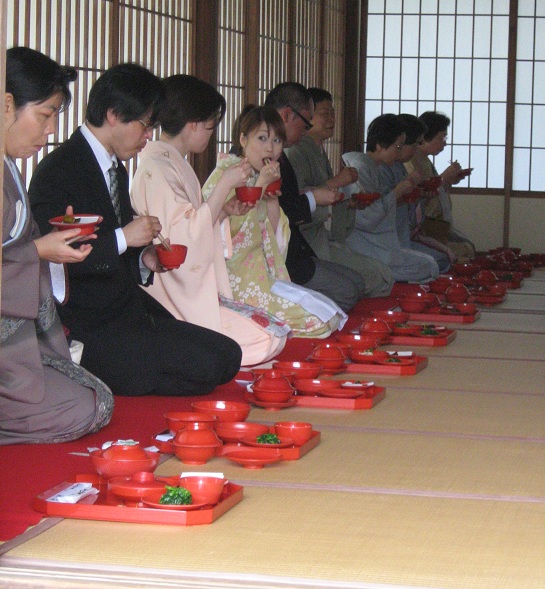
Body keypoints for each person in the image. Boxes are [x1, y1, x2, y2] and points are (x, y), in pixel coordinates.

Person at [29, 63, 242, 396]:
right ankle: (93, 371)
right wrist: (124, 237)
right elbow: (55, 264)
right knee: (205, 365)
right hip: (86, 320)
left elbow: (120, 251)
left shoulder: (115, 168)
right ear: (114, 114)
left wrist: (145, 258)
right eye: (145, 126)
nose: (148, 137)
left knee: (229, 355)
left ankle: (126, 372)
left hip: (126, 307)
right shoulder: (59, 170)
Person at [130, 75, 290, 366]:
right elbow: (182, 239)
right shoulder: (157, 168)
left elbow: (196, 224)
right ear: (192, 124)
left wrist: (224, 211)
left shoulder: (174, 163)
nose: (210, 134)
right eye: (209, 127)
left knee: (276, 332)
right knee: (265, 339)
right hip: (173, 294)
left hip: (194, 288)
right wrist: (224, 184)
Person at [1, 46, 113, 444]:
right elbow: (20, 251)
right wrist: (37, 251)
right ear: (7, 105)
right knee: (85, 407)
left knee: (96, 397)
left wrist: (52, 240)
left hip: (13, 347)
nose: (50, 131)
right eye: (45, 115)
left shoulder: (8, 167)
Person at [204, 105, 344, 338]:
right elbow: (227, 234)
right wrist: (259, 187)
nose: (270, 147)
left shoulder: (257, 175)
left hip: (262, 274)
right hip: (235, 280)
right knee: (317, 323)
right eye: (262, 138)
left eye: (277, 140)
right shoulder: (225, 174)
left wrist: (270, 198)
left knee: (330, 314)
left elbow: (275, 240)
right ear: (243, 140)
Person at [264, 82, 364, 311]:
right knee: (348, 290)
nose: (306, 130)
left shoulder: (285, 154)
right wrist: (314, 197)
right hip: (273, 257)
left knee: (357, 283)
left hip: (297, 248)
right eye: (260, 137)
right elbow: (279, 212)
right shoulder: (255, 161)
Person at [286, 87, 394, 296]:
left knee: (381, 274)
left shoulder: (317, 150)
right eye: (324, 113)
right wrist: (338, 181)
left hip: (324, 238)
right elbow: (295, 206)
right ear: (307, 115)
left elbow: (324, 201)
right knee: (376, 277)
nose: (331, 119)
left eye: (333, 113)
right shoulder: (296, 152)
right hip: (307, 242)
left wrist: (348, 204)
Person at [343, 114, 439, 283]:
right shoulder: (360, 167)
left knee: (430, 263)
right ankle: (379, 274)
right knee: (428, 265)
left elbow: (384, 206)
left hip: (380, 243)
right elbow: (366, 218)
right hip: (364, 244)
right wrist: (397, 192)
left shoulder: (375, 166)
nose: (400, 152)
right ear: (380, 145)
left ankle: (381, 274)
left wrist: (408, 195)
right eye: (398, 146)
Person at [378, 113, 453, 274]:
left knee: (443, 258)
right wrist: (404, 189)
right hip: (388, 242)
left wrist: (419, 194)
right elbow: (376, 211)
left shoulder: (400, 166)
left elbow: (407, 207)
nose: (416, 149)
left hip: (408, 233)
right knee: (434, 263)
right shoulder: (377, 168)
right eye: (414, 144)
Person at [405, 111, 475, 261]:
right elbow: (420, 192)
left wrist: (448, 180)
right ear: (425, 136)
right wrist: (443, 178)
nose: (445, 143)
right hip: (421, 226)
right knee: (463, 250)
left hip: (435, 223)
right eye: (441, 137)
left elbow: (433, 189)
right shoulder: (411, 160)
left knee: (467, 247)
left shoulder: (423, 159)